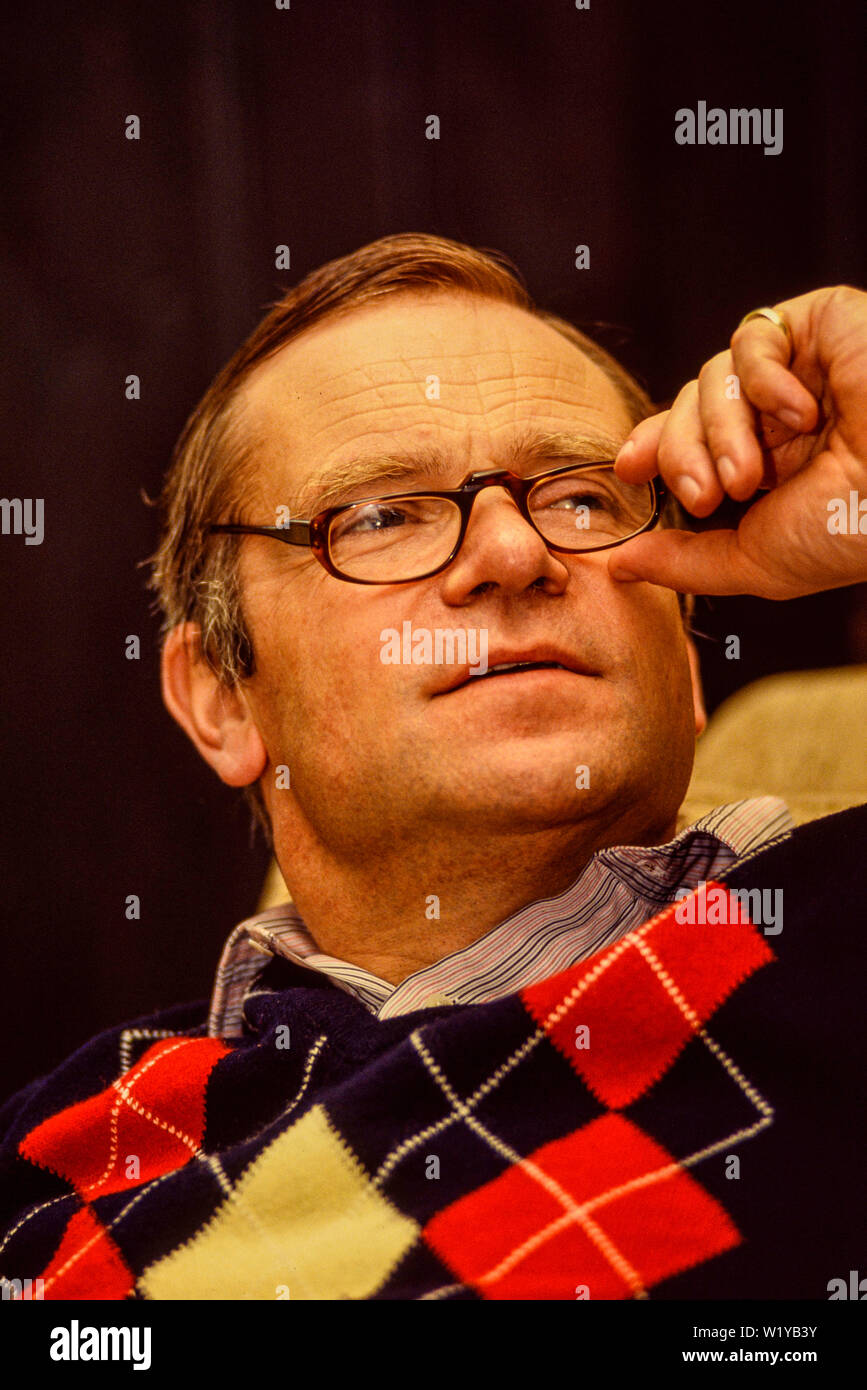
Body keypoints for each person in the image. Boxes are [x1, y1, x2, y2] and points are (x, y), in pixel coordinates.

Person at [1, 235, 864, 1302]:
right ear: (225, 698)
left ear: (685, 655)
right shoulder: (73, 1151)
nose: (513, 554)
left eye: (583, 498)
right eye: (379, 516)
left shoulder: (839, 935)